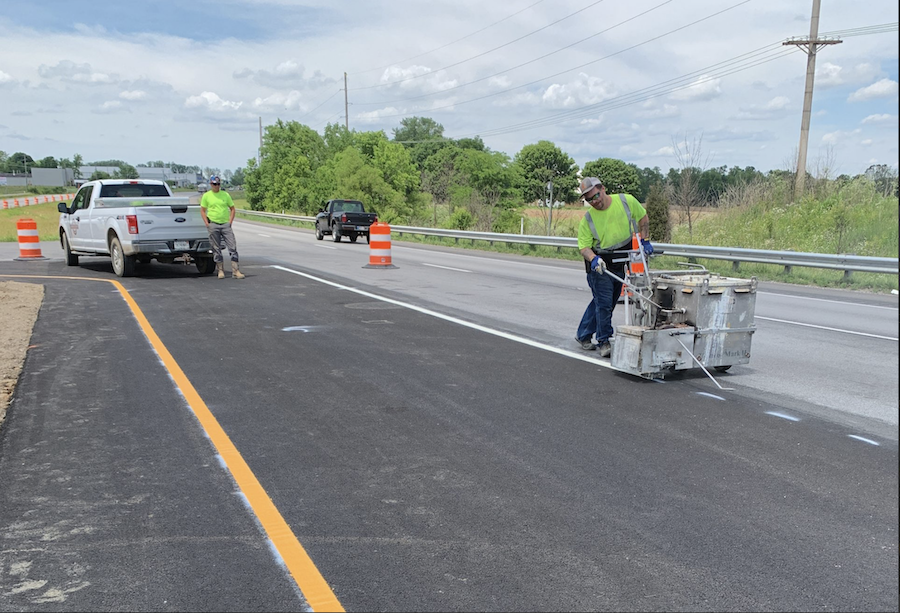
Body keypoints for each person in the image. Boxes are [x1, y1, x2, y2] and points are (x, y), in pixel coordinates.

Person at [575, 176, 652, 357]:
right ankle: (604, 341)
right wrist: (594, 259)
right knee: (604, 303)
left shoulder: (626, 201)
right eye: (589, 200)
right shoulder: (588, 219)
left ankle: (583, 333)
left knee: (606, 301)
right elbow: (583, 247)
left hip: (620, 260)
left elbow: (642, 217)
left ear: (603, 188)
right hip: (600, 265)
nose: (594, 202)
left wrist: (645, 239)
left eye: (595, 196)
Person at [200, 175, 245, 279]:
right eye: (215, 184)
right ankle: (220, 270)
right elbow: (202, 210)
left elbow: (232, 208)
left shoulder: (225, 195)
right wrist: (207, 223)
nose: (217, 186)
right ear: (211, 184)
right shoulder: (207, 196)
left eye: (218, 184)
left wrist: (230, 222)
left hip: (225, 224)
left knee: (232, 246)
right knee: (216, 248)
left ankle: (236, 270)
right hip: (213, 224)